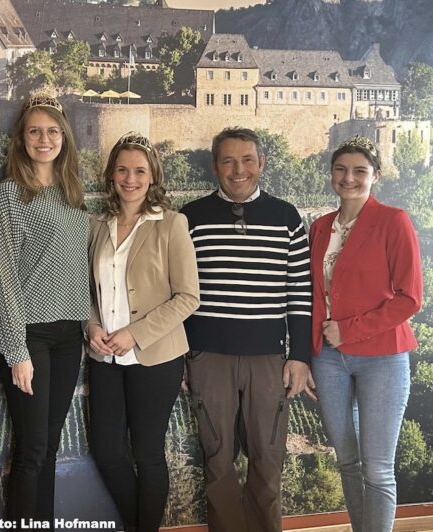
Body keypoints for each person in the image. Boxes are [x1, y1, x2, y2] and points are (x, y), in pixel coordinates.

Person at [179, 127, 315, 532]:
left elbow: (300, 292)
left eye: (247, 160)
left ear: (261, 164)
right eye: (228, 160)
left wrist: (300, 356)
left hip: (268, 359)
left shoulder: (287, 217)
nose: (238, 170)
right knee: (217, 459)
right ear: (215, 167)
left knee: (268, 456)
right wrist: (185, 357)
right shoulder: (190, 218)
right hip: (208, 357)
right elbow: (179, 293)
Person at [86, 132, 200, 532]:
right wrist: (91, 325)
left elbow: (188, 297)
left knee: (148, 454)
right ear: (111, 175)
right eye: (122, 169)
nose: (129, 178)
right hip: (104, 358)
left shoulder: (171, 224)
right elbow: (85, 290)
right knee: (106, 451)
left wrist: (135, 333)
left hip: (155, 356)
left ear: (152, 177)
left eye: (139, 170)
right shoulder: (97, 225)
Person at [0, 93, 89, 527]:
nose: (43, 139)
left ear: (63, 136)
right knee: (30, 450)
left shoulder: (73, 193)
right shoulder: (11, 195)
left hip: (69, 336)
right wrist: (16, 351)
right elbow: (1, 278)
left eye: (51, 131)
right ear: (21, 139)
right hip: (29, 335)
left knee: (48, 448)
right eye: (34, 131)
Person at [309, 136, 422, 532]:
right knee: (346, 461)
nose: (349, 178)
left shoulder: (394, 221)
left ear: (375, 175)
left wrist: (349, 330)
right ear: (331, 175)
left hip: (383, 357)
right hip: (328, 360)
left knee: (377, 468)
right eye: (341, 169)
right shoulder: (320, 228)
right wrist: (310, 355)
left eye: (359, 171)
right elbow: (313, 295)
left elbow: (410, 298)